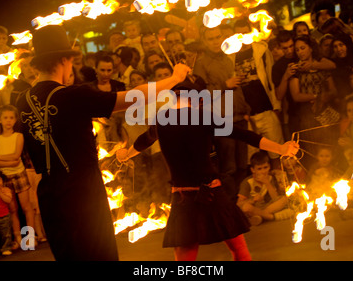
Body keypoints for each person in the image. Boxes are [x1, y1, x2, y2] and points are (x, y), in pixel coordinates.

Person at [16, 25, 190, 261]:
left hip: (48, 193)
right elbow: (133, 97)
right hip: (82, 191)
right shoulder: (71, 95)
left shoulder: (23, 101)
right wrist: (175, 78)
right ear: (65, 60)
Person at [116, 77, 299, 261]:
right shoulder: (202, 116)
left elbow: (143, 141)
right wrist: (281, 148)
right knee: (240, 252)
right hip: (212, 193)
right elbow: (243, 135)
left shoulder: (161, 120)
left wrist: (126, 154)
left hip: (183, 197)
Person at [194, 25, 251, 201]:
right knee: (229, 167)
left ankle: (240, 204)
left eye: (218, 36)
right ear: (204, 41)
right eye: (211, 38)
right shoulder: (201, 63)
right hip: (221, 120)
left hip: (240, 117)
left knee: (243, 165)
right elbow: (199, 96)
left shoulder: (229, 57)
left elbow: (238, 86)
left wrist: (247, 108)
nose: (216, 41)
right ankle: (229, 205)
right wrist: (224, 85)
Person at [233, 18, 284, 170]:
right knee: (252, 160)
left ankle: (282, 186)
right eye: (238, 34)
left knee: (277, 153)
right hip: (246, 116)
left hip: (266, 109)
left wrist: (276, 105)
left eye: (245, 33)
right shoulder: (230, 56)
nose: (242, 37)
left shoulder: (261, 50)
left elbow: (270, 76)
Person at [289, 35, 339, 164]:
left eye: (303, 48)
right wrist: (316, 96)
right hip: (307, 115)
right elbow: (296, 95)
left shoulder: (321, 66)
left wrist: (325, 97)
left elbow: (333, 90)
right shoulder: (296, 71)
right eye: (297, 50)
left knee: (330, 146)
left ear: (311, 48)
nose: (300, 52)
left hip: (326, 112)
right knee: (313, 150)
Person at [0, 104, 35, 250]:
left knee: (26, 207)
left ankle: (30, 238)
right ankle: (17, 239)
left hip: (19, 174)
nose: (8, 121)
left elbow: (17, 157)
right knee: (13, 209)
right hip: (5, 176)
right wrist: (4, 160)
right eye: (5, 118)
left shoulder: (18, 136)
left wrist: (0, 158)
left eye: (11, 118)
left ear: (15, 120)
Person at [237, 151, 294, 226]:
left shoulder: (271, 178)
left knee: (284, 199)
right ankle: (271, 217)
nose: (263, 171)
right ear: (253, 170)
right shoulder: (248, 182)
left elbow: (275, 198)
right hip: (254, 208)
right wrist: (253, 200)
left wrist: (267, 182)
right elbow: (238, 204)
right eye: (259, 169)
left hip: (267, 207)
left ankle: (261, 216)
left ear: (269, 167)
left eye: (265, 167)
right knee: (246, 208)